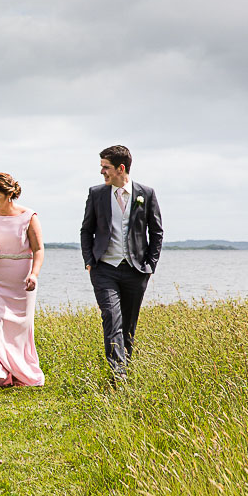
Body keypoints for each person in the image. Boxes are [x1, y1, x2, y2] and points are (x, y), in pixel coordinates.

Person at [80, 145, 164, 378]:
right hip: (104, 268)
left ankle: (124, 366)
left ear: (120, 168)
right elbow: (86, 230)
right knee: (111, 316)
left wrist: (150, 265)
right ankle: (118, 375)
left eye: (105, 168)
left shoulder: (145, 194)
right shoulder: (96, 193)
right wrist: (89, 259)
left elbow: (156, 232)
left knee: (128, 325)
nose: (102, 172)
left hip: (136, 270)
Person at [0, 173, 45, 391]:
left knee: (17, 330)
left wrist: (34, 274)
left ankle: (17, 371)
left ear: (9, 194)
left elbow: (39, 249)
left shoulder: (29, 216)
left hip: (20, 281)